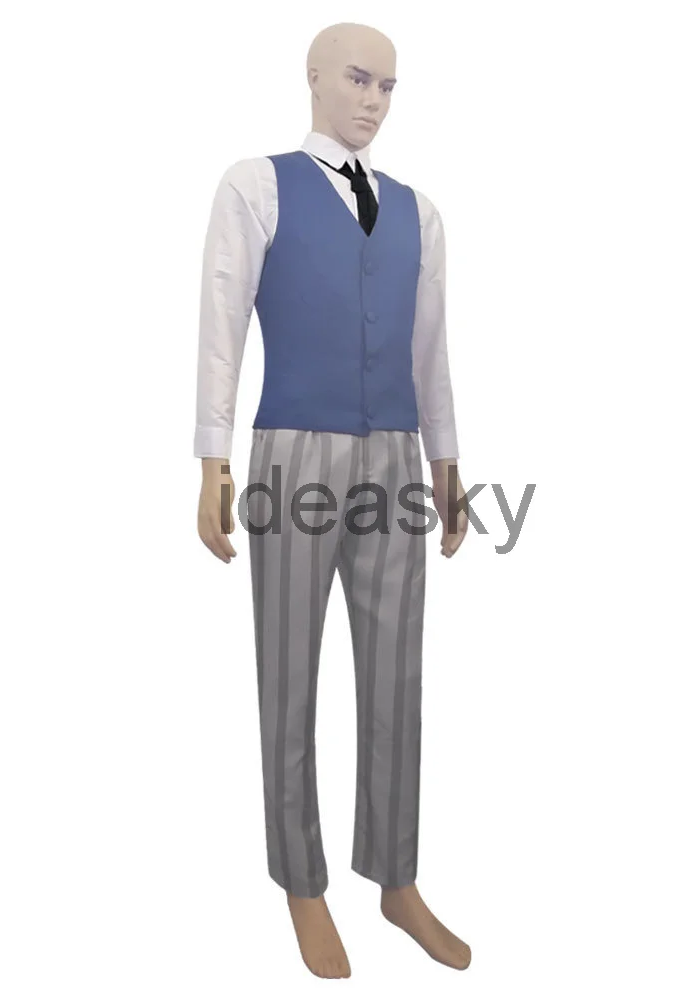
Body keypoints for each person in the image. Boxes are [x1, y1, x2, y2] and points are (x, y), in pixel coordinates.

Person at [194, 21, 472, 977]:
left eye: (388, 87)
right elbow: (222, 327)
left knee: (398, 672)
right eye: (358, 79)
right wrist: (212, 460)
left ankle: (395, 878)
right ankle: (302, 885)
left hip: (396, 454)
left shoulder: (419, 215)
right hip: (293, 453)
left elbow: (430, 350)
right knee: (289, 668)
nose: (373, 102)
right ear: (313, 77)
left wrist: (447, 461)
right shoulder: (256, 186)